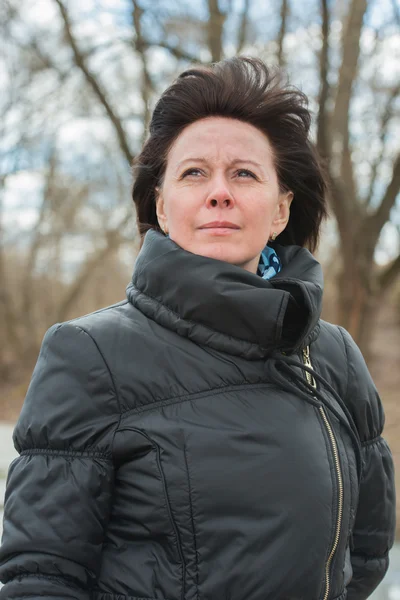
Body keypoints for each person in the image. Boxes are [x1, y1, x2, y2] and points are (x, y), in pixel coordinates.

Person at [0, 57, 395, 600]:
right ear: (161, 206)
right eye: (193, 173)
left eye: (244, 173)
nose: (219, 192)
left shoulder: (335, 355)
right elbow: (40, 577)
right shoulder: (90, 354)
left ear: (281, 210)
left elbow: (367, 553)